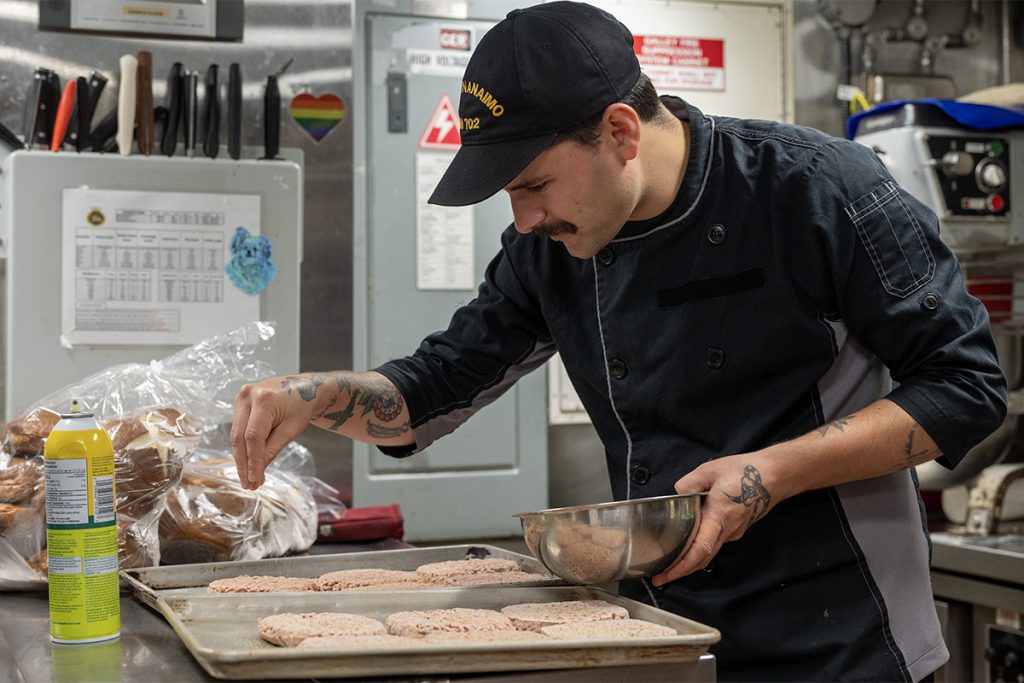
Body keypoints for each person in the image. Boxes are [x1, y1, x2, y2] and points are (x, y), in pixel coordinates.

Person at [230, 2, 1007, 680]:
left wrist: (771, 470)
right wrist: (313, 395)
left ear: (621, 131)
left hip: (843, 640)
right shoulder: (549, 251)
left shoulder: (818, 190)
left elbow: (967, 388)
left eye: (533, 184)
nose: (524, 217)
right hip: (654, 634)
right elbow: (433, 391)